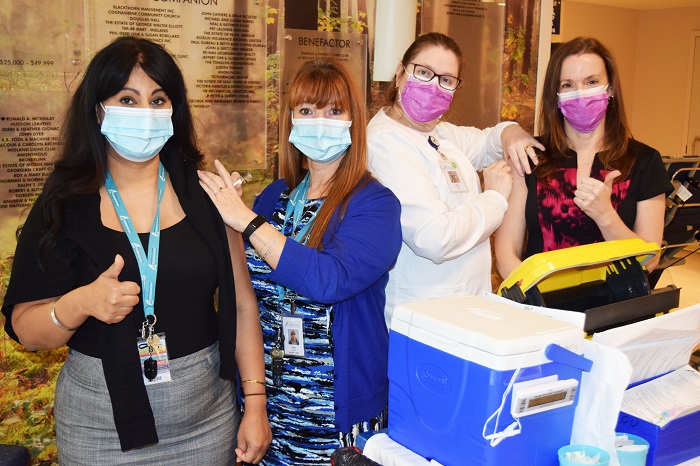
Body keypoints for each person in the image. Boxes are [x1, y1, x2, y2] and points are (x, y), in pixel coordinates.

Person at [1, 37, 271, 464]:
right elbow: (25, 329)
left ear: (173, 110)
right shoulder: (65, 201)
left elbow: (242, 304)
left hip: (206, 417)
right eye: (128, 99)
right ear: (98, 109)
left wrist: (255, 404)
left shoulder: (204, 192)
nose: (145, 113)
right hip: (100, 424)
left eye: (158, 99)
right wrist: (79, 303)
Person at [198, 58, 402, 464]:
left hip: (334, 413)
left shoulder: (375, 204)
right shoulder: (274, 197)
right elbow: (243, 294)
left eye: (333, 111)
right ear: (291, 121)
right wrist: (227, 226)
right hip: (266, 403)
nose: (318, 121)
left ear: (353, 122)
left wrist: (246, 221)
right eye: (306, 111)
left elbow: (330, 280)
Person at [366, 32, 543, 327]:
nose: (433, 86)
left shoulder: (437, 133)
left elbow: (488, 141)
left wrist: (510, 130)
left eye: (446, 80)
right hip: (424, 314)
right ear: (399, 74)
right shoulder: (385, 142)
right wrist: (495, 199)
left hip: (462, 308)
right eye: (423, 72)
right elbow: (434, 238)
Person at [494, 37, 673, 279]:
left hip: (614, 310)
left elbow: (649, 262)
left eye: (592, 82)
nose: (581, 93)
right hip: (541, 309)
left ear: (609, 89)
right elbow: (507, 253)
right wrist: (536, 302)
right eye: (568, 85)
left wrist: (606, 216)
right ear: (555, 94)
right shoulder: (530, 156)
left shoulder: (644, 161)